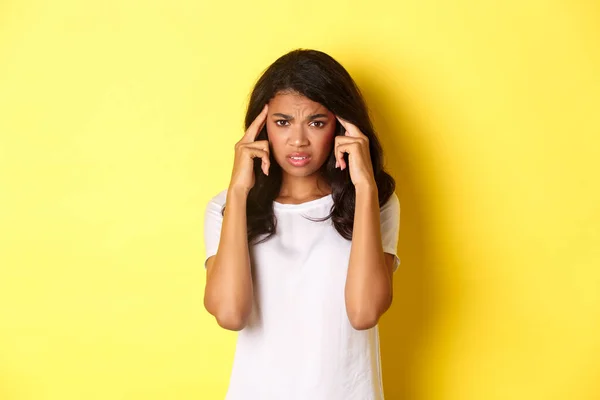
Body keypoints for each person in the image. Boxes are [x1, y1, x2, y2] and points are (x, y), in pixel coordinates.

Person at [203, 48, 401, 400]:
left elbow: (364, 312)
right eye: (282, 122)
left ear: (341, 127)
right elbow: (231, 314)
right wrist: (237, 192)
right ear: (261, 128)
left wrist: (366, 187)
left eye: (316, 122)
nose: (298, 140)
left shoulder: (373, 203)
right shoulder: (227, 207)